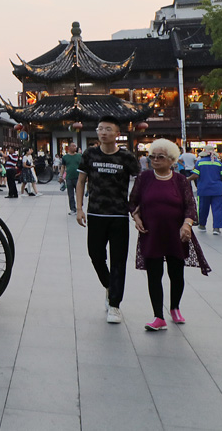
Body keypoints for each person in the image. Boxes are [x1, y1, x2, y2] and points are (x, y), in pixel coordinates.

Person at [129, 139, 211, 331]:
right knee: (154, 275)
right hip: (152, 233)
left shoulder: (180, 180)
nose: (155, 160)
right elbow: (132, 202)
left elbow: (191, 206)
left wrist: (187, 224)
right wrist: (136, 216)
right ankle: (158, 316)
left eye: (160, 157)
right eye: (152, 157)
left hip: (176, 233)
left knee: (176, 273)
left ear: (172, 160)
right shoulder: (145, 178)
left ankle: (175, 307)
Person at [76, 116, 141, 324]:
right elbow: (81, 181)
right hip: (95, 213)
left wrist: (136, 207)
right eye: (100, 129)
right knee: (95, 254)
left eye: (108, 129)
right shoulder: (90, 154)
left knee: (119, 261)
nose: (103, 132)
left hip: (118, 215)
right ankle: (109, 286)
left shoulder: (126, 157)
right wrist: (79, 208)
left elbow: (141, 182)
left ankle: (114, 305)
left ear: (117, 134)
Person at [189, 146, 222, 235]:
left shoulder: (199, 163)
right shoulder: (218, 163)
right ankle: (216, 228)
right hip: (217, 190)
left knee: (203, 208)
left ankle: (202, 225)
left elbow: (195, 176)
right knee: (217, 209)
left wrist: (186, 179)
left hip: (204, 189)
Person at [62, 144, 82, 215]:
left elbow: (83, 166)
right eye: (73, 146)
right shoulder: (65, 157)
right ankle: (73, 209)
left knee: (79, 194)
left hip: (78, 178)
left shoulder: (79, 156)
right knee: (70, 194)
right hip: (69, 178)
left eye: (75, 146)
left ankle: (79, 207)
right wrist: (61, 176)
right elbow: (63, 167)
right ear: (69, 148)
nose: (75, 147)